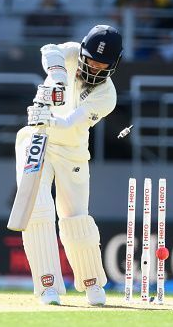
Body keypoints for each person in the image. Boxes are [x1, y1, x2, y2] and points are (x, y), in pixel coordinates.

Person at [16, 25, 123, 306]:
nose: (94, 71)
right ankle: (48, 286)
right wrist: (58, 76)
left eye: (103, 67)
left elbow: (71, 124)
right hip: (38, 138)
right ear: (83, 52)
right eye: (91, 62)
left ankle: (92, 283)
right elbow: (49, 50)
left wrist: (49, 119)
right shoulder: (73, 53)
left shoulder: (107, 96)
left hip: (72, 149)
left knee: (75, 218)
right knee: (38, 210)